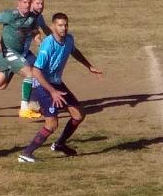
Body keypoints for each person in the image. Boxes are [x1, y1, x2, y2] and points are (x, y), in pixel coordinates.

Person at [18, 13, 102, 162]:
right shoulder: (48, 45)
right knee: (52, 124)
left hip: (56, 83)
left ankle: (59, 144)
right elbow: (36, 72)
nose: (63, 28)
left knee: (78, 115)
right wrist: (53, 92)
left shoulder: (69, 39)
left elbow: (74, 51)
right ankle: (26, 154)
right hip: (43, 84)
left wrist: (89, 66)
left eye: (65, 25)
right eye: (60, 25)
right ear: (52, 27)